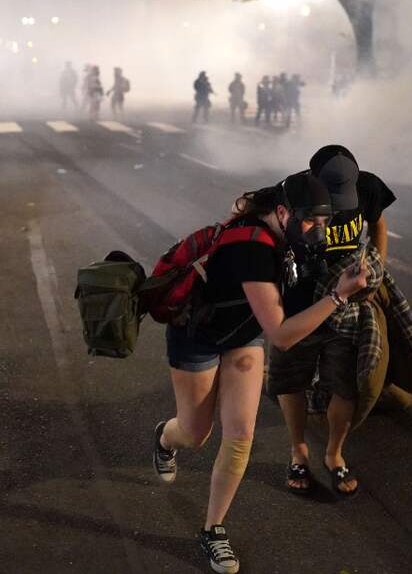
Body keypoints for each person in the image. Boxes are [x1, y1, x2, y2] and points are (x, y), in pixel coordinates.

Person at [152, 175, 368, 574]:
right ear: (283, 213)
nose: (317, 232)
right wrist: (340, 295)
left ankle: (212, 530)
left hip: (243, 336)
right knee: (194, 434)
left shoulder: (281, 227)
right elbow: (283, 336)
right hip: (198, 335)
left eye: (324, 223)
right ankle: (166, 438)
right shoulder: (253, 249)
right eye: (310, 222)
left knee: (240, 438)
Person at [267, 145, 396, 498]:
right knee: (291, 379)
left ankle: (333, 453)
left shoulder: (367, 187)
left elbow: (379, 223)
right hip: (299, 307)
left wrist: (378, 270)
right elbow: (254, 216)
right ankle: (298, 450)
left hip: (347, 307)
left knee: (346, 385)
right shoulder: (291, 192)